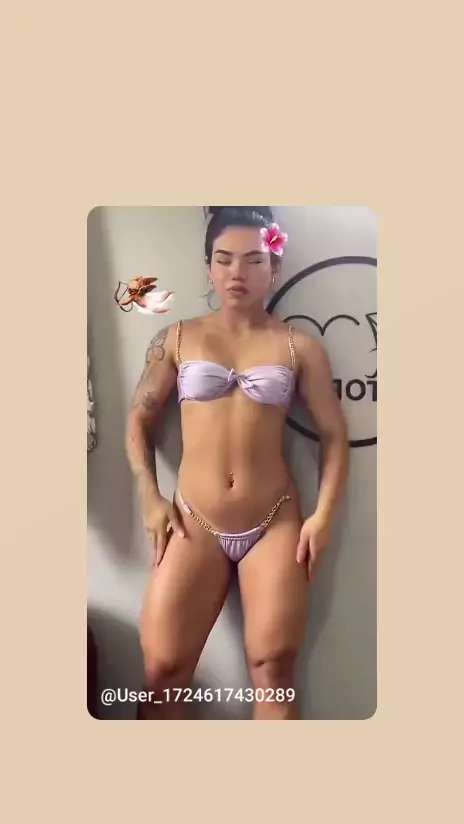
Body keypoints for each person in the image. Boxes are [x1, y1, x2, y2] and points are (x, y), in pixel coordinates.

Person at [125, 206, 349, 720]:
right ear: (208, 266)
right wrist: (149, 494)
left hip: (274, 521)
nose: (237, 273)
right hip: (192, 520)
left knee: (274, 671)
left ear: (274, 266)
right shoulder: (176, 339)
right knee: (162, 671)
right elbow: (138, 421)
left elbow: (335, 436)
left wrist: (324, 516)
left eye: (253, 260)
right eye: (224, 259)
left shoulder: (299, 347)